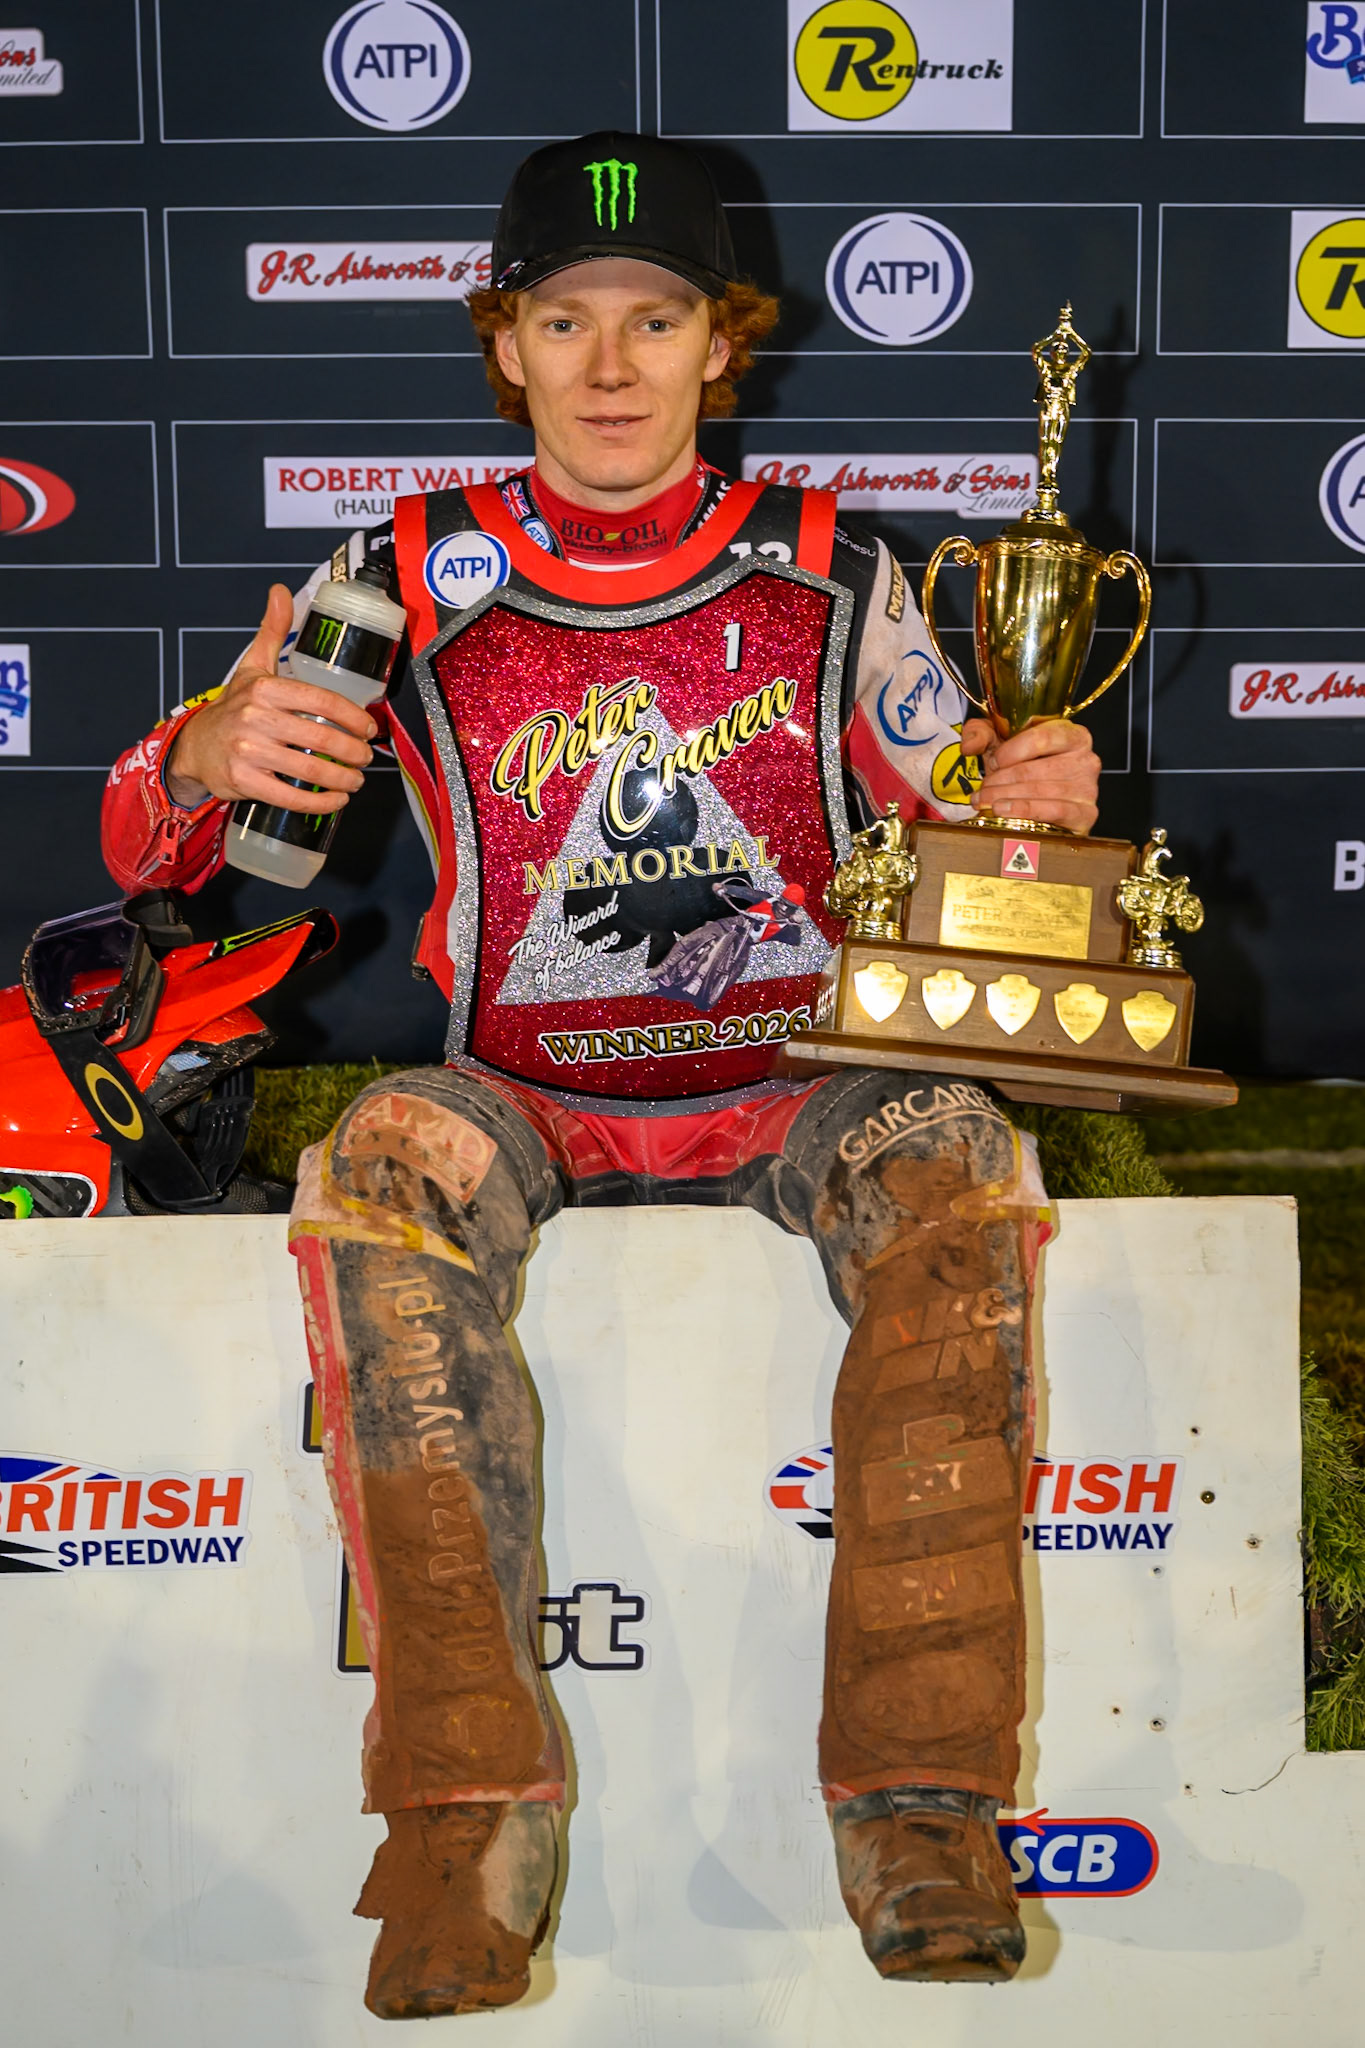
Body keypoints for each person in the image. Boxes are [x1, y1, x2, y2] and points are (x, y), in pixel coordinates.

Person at [102, 132, 1101, 2021]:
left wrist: (1029, 802)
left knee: (958, 1161)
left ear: (725, 346)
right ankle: (468, 1819)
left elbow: (983, 832)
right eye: (564, 321)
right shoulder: (403, 566)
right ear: (509, 348)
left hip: (799, 1078)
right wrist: (209, 749)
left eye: (656, 320)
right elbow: (156, 856)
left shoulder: (828, 569)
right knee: (374, 1168)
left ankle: (919, 1808)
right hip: (522, 1097)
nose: (613, 366)